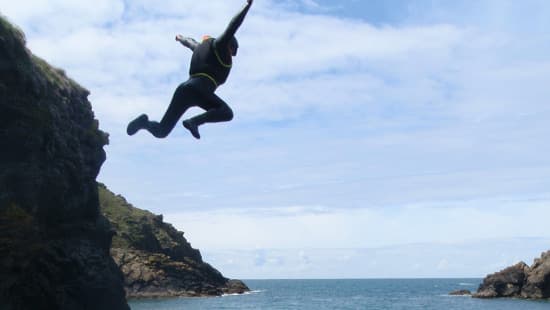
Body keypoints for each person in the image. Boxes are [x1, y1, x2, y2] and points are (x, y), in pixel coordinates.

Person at [127, 0, 253, 139]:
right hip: (199, 90)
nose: (231, 56)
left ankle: (144, 123)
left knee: (162, 131)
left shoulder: (200, 47)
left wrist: (180, 38)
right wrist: (247, 5)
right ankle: (194, 122)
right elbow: (233, 27)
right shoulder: (220, 46)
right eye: (232, 51)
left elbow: (189, 42)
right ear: (230, 45)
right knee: (227, 113)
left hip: (184, 90)